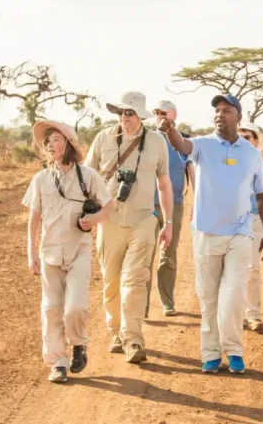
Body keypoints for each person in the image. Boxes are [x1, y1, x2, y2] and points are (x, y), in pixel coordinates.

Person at [156, 94, 263, 374]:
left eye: (226, 110)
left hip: (240, 233)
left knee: (232, 295)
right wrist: (170, 129)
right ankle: (210, 353)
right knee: (208, 296)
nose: (220, 114)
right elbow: (181, 145)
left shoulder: (251, 153)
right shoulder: (202, 145)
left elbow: (262, 194)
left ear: (239, 117)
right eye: (217, 111)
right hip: (207, 233)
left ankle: (233, 350)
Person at [84, 91, 174, 364]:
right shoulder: (103, 139)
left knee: (135, 280)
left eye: (130, 113)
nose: (125, 117)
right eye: (122, 112)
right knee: (111, 281)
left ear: (141, 115)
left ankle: (133, 338)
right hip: (109, 221)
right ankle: (115, 333)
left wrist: (168, 222)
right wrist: (88, 215)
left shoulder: (157, 142)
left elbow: (164, 183)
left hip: (143, 220)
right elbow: (87, 177)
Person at [23, 120, 113, 383]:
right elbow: (34, 218)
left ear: (69, 144)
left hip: (78, 252)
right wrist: (31, 252)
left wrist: (93, 220)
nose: (49, 145)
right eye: (47, 141)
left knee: (75, 308)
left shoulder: (88, 176)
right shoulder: (40, 179)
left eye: (55, 139)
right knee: (51, 309)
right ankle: (57, 362)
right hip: (49, 252)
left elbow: (108, 207)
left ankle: (78, 345)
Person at [146, 100, 195, 317]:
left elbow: (193, 174)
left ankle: (168, 302)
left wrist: (197, 203)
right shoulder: (146, 138)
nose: (159, 116)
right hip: (146, 205)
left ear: (173, 114)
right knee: (144, 255)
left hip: (174, 205)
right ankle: (142, 306)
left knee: (168, 255)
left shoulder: (184, 142)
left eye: (163, 112)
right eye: (156, 112)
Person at [238, 122, 263, 333]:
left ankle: (253, 314)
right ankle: (234, 313)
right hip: (232, 220)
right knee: (232, 269)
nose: (243, 140)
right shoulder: (227, 161)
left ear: (254, 141)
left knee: (253, 268)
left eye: (247, 137)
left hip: (254, 220)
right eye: (240, 136)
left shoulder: (261, 167)